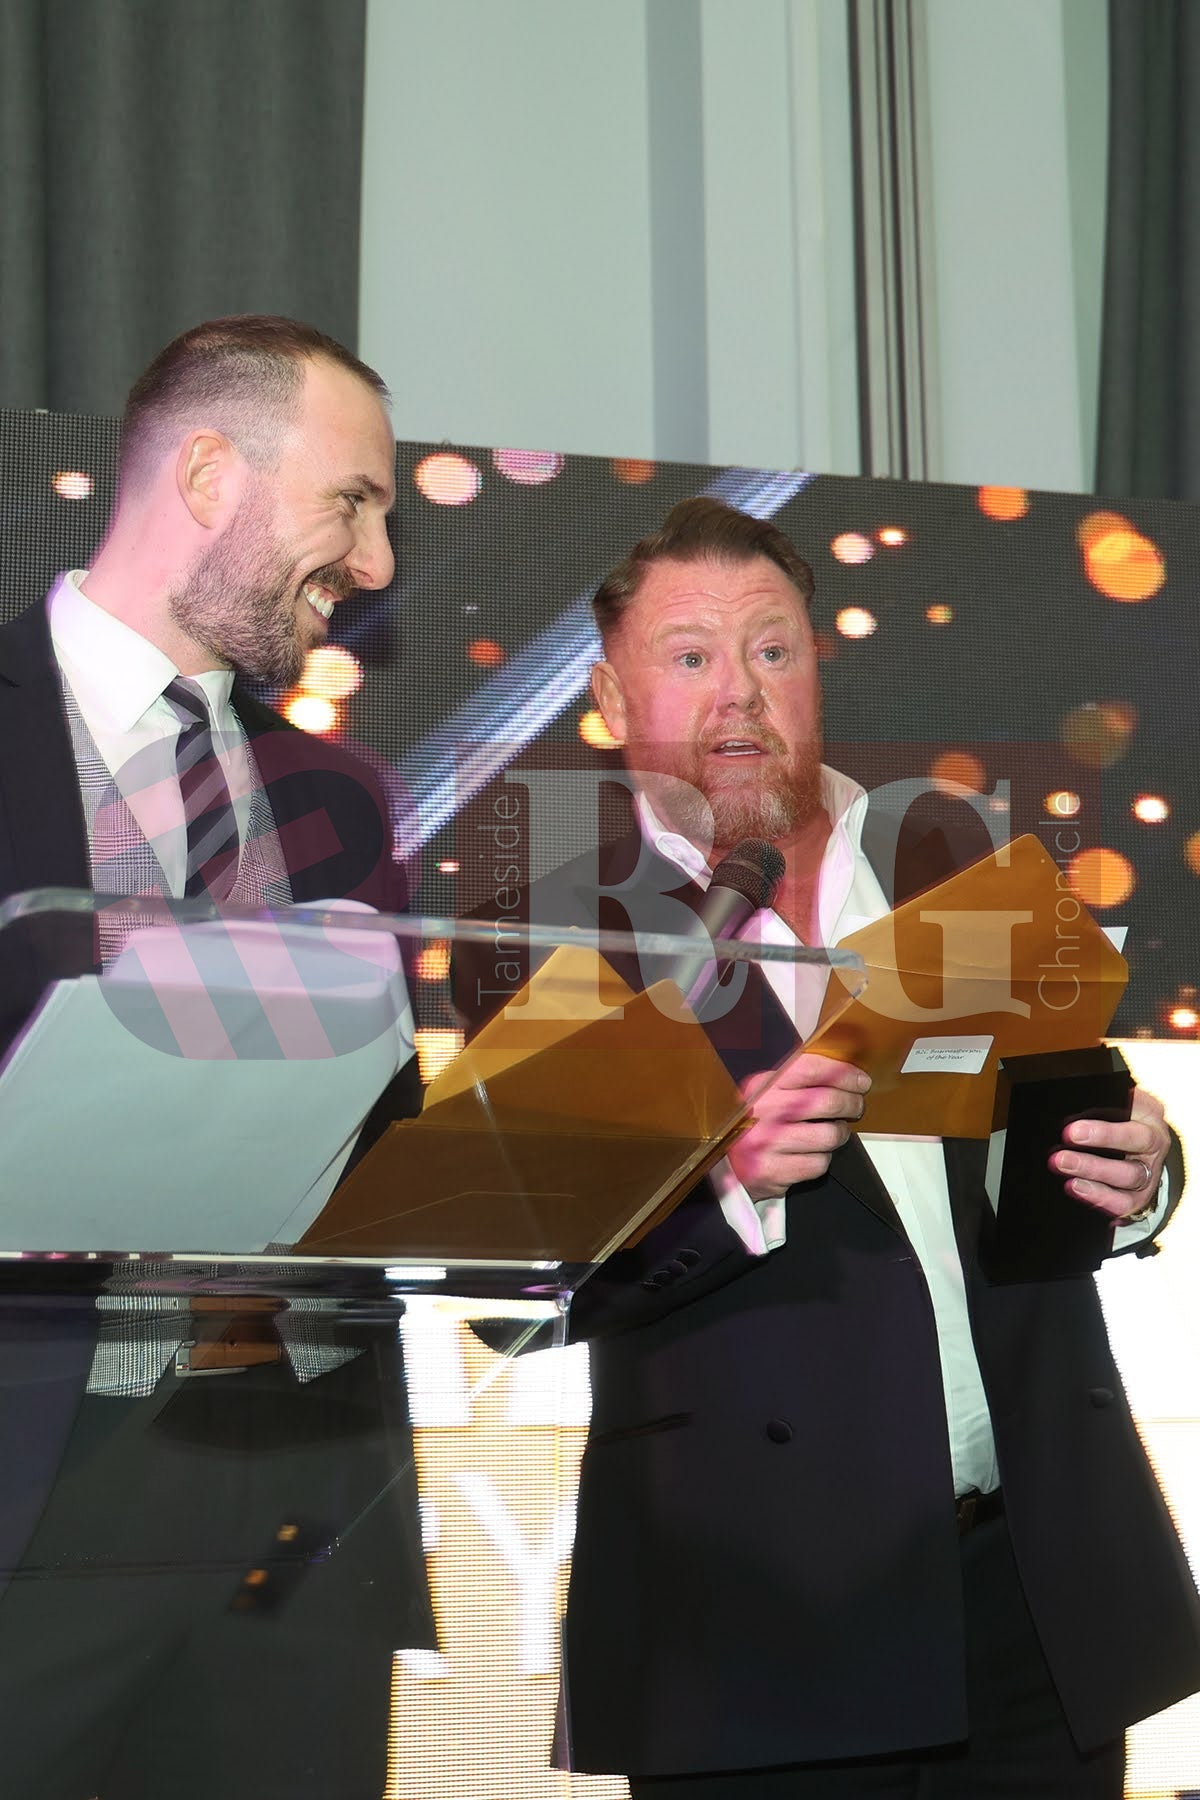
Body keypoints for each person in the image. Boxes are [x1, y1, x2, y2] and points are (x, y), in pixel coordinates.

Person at [470, 498, 1200, 1797]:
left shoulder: (955, 856)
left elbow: (1081, 1117)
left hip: (1034, 1592)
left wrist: (1139, 1175)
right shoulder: (556, 933)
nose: (739, 693)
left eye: (772, 649)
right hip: (761, 1629)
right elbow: (511, 1292)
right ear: (608, 696)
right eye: (690, 656)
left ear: (816, 666)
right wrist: (724, 1188)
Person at [0, 317, 435, 1799]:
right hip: (31, 1485)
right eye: (353, 502)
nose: (375, 562)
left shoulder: (342, 795)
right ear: (205, 475)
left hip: (305, 1506)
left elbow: (377, 1138)